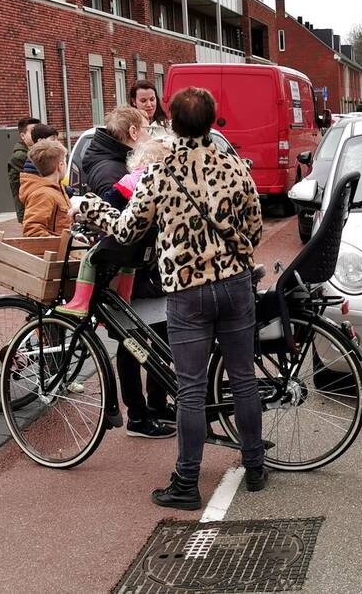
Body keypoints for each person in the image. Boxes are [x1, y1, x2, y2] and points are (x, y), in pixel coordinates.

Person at [77, 87, 265, 507]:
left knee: (191, 389)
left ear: (173, 122)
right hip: (235, 285)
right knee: (243, 378)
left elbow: (126, 229)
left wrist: (88, 207)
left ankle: (186, 482)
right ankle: (254, 466)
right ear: (213, 121)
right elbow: (254, 224)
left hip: (187, 291)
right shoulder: (232, 163)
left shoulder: (161, 171)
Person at [81, 107, 175, 439]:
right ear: (134, 133)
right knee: (131, 344)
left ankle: (156, 403)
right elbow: (121, 228)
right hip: (130, 275)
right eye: (147, 127)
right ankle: (138, 415)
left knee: (157, 337)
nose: (150, 131)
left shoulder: (119, 164)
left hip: (143, 274)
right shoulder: (112, 171)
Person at [58, 137, 172, 316]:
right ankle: (124, 298)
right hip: (146, 250)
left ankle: (80, 303)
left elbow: (108, 204)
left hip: (124, 241)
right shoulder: (166, 183)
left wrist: (87, 209)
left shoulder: (131, 180)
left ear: (139, 159)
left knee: (89, 260)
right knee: (129, 266)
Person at [20, 139, 72, 238]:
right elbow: (32, 231)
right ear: (60, 166)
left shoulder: (57, 189)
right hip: (55, 252)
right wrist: (59, 242)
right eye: (65, 162)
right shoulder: (43, 194)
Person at [8, 117, 40, 223]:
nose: (38, 135)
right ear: (23, 136)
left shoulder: (34, 152)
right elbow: (41, 178)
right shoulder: (20, 156)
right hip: (29, 210)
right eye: (33, 132)